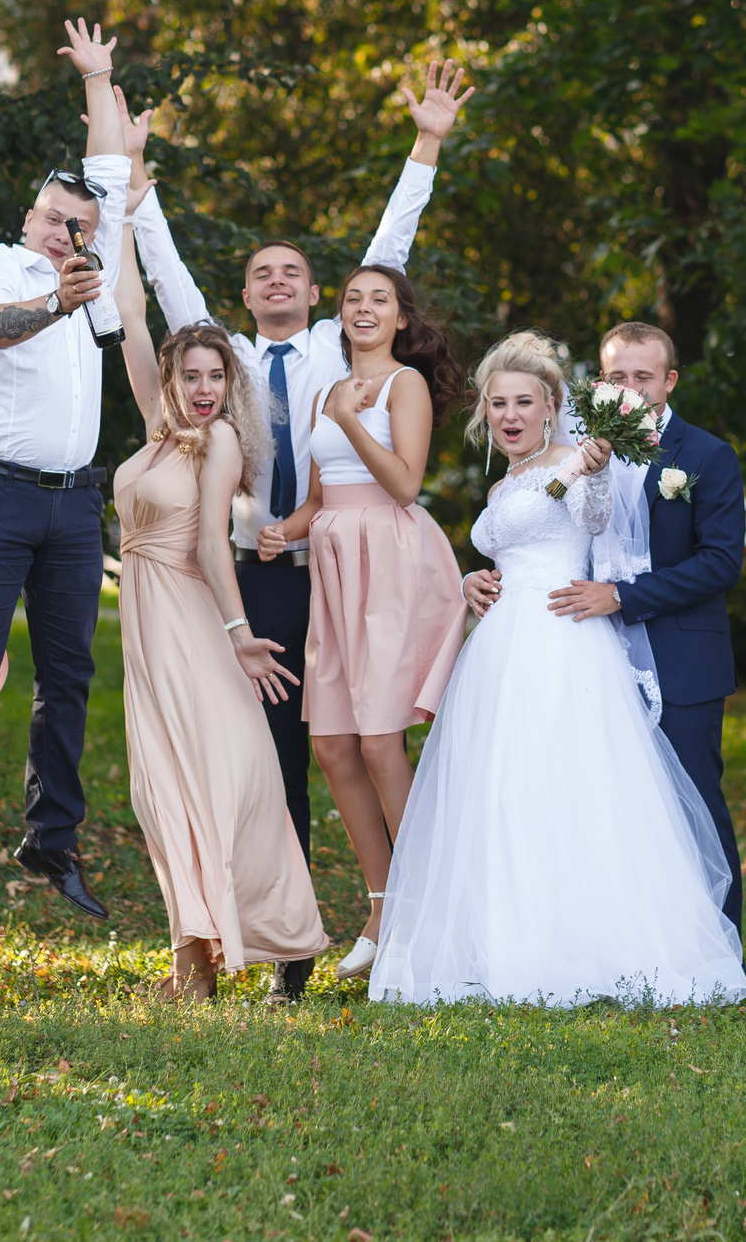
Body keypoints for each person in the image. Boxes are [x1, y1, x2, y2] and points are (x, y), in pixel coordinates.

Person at [127, 61, 469, 988]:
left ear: (320, 294)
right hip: (260, 569)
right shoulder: (222, 358)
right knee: (280, 751)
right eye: (260, 271)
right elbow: (163, 277)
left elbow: (390, 246)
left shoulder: (341, 348)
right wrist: (136, 183)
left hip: (354, 565)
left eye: (295, 271)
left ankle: (397, 908)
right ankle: (286, 939)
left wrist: (426, 142)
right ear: (243, 296)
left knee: (365, 739)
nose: (278, 277)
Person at [372, 333, 746, 1007]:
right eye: (498, 404)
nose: (510, 414)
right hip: (499, 649)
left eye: (524, 401)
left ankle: (606, 941)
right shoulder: (503, 480)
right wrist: (471, 580)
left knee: (574, 790)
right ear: (485, 412)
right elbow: (506, 544)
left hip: (562, 640)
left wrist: (595, 469)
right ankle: (505, 937)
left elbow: (597, 518)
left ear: (553, 407)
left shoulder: (580, 464)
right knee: (501, 790)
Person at [0, 18, 131, 926]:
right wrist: (55, 300)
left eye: (77, 223)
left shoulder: (95, 265)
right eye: (52, 217)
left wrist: (98, 80)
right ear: (29, 217)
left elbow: (111, 169)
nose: (65, 230)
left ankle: (52, 837)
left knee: (71, 673)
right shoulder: (0, 269)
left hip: (74, 504)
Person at [105, 210, 328, 1000]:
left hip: (193, 622)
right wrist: (118, 208)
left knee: (205, 783)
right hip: (146, 623)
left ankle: (212, 961)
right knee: (160, 790)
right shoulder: (158, 430)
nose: (205, 391)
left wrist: (238, 634)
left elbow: (207, 545)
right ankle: (190, 959)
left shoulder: (223, 440)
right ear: (172, 381)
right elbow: (130, 312)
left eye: (215, 378)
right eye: (192, 377)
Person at [474, 322, 746, 927]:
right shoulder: (578, 453)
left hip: (678, 655)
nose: (629, 387)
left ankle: (718, 939)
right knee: (603, 799)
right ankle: (623, 929)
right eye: (617, 376)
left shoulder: (705, 455)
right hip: (581, 652)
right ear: (600, 382)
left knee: (692, 800)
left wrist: (623, 596)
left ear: (669, 380)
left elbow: (721, 561)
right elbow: (537, 532)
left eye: (643, 377)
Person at [255, 264, 468, 979]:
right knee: (335, 748)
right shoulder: (325, 390)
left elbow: (405, 482)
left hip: (393, 565)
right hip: (336, 570)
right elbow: (324, 498)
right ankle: (383, 904)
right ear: (340, 313)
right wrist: (283, 530)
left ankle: (424, 910)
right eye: (354, 298)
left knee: (381, 742)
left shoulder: (402, 385)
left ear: (402, 317)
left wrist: (350, 418)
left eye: (380, 299)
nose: (365, 308)